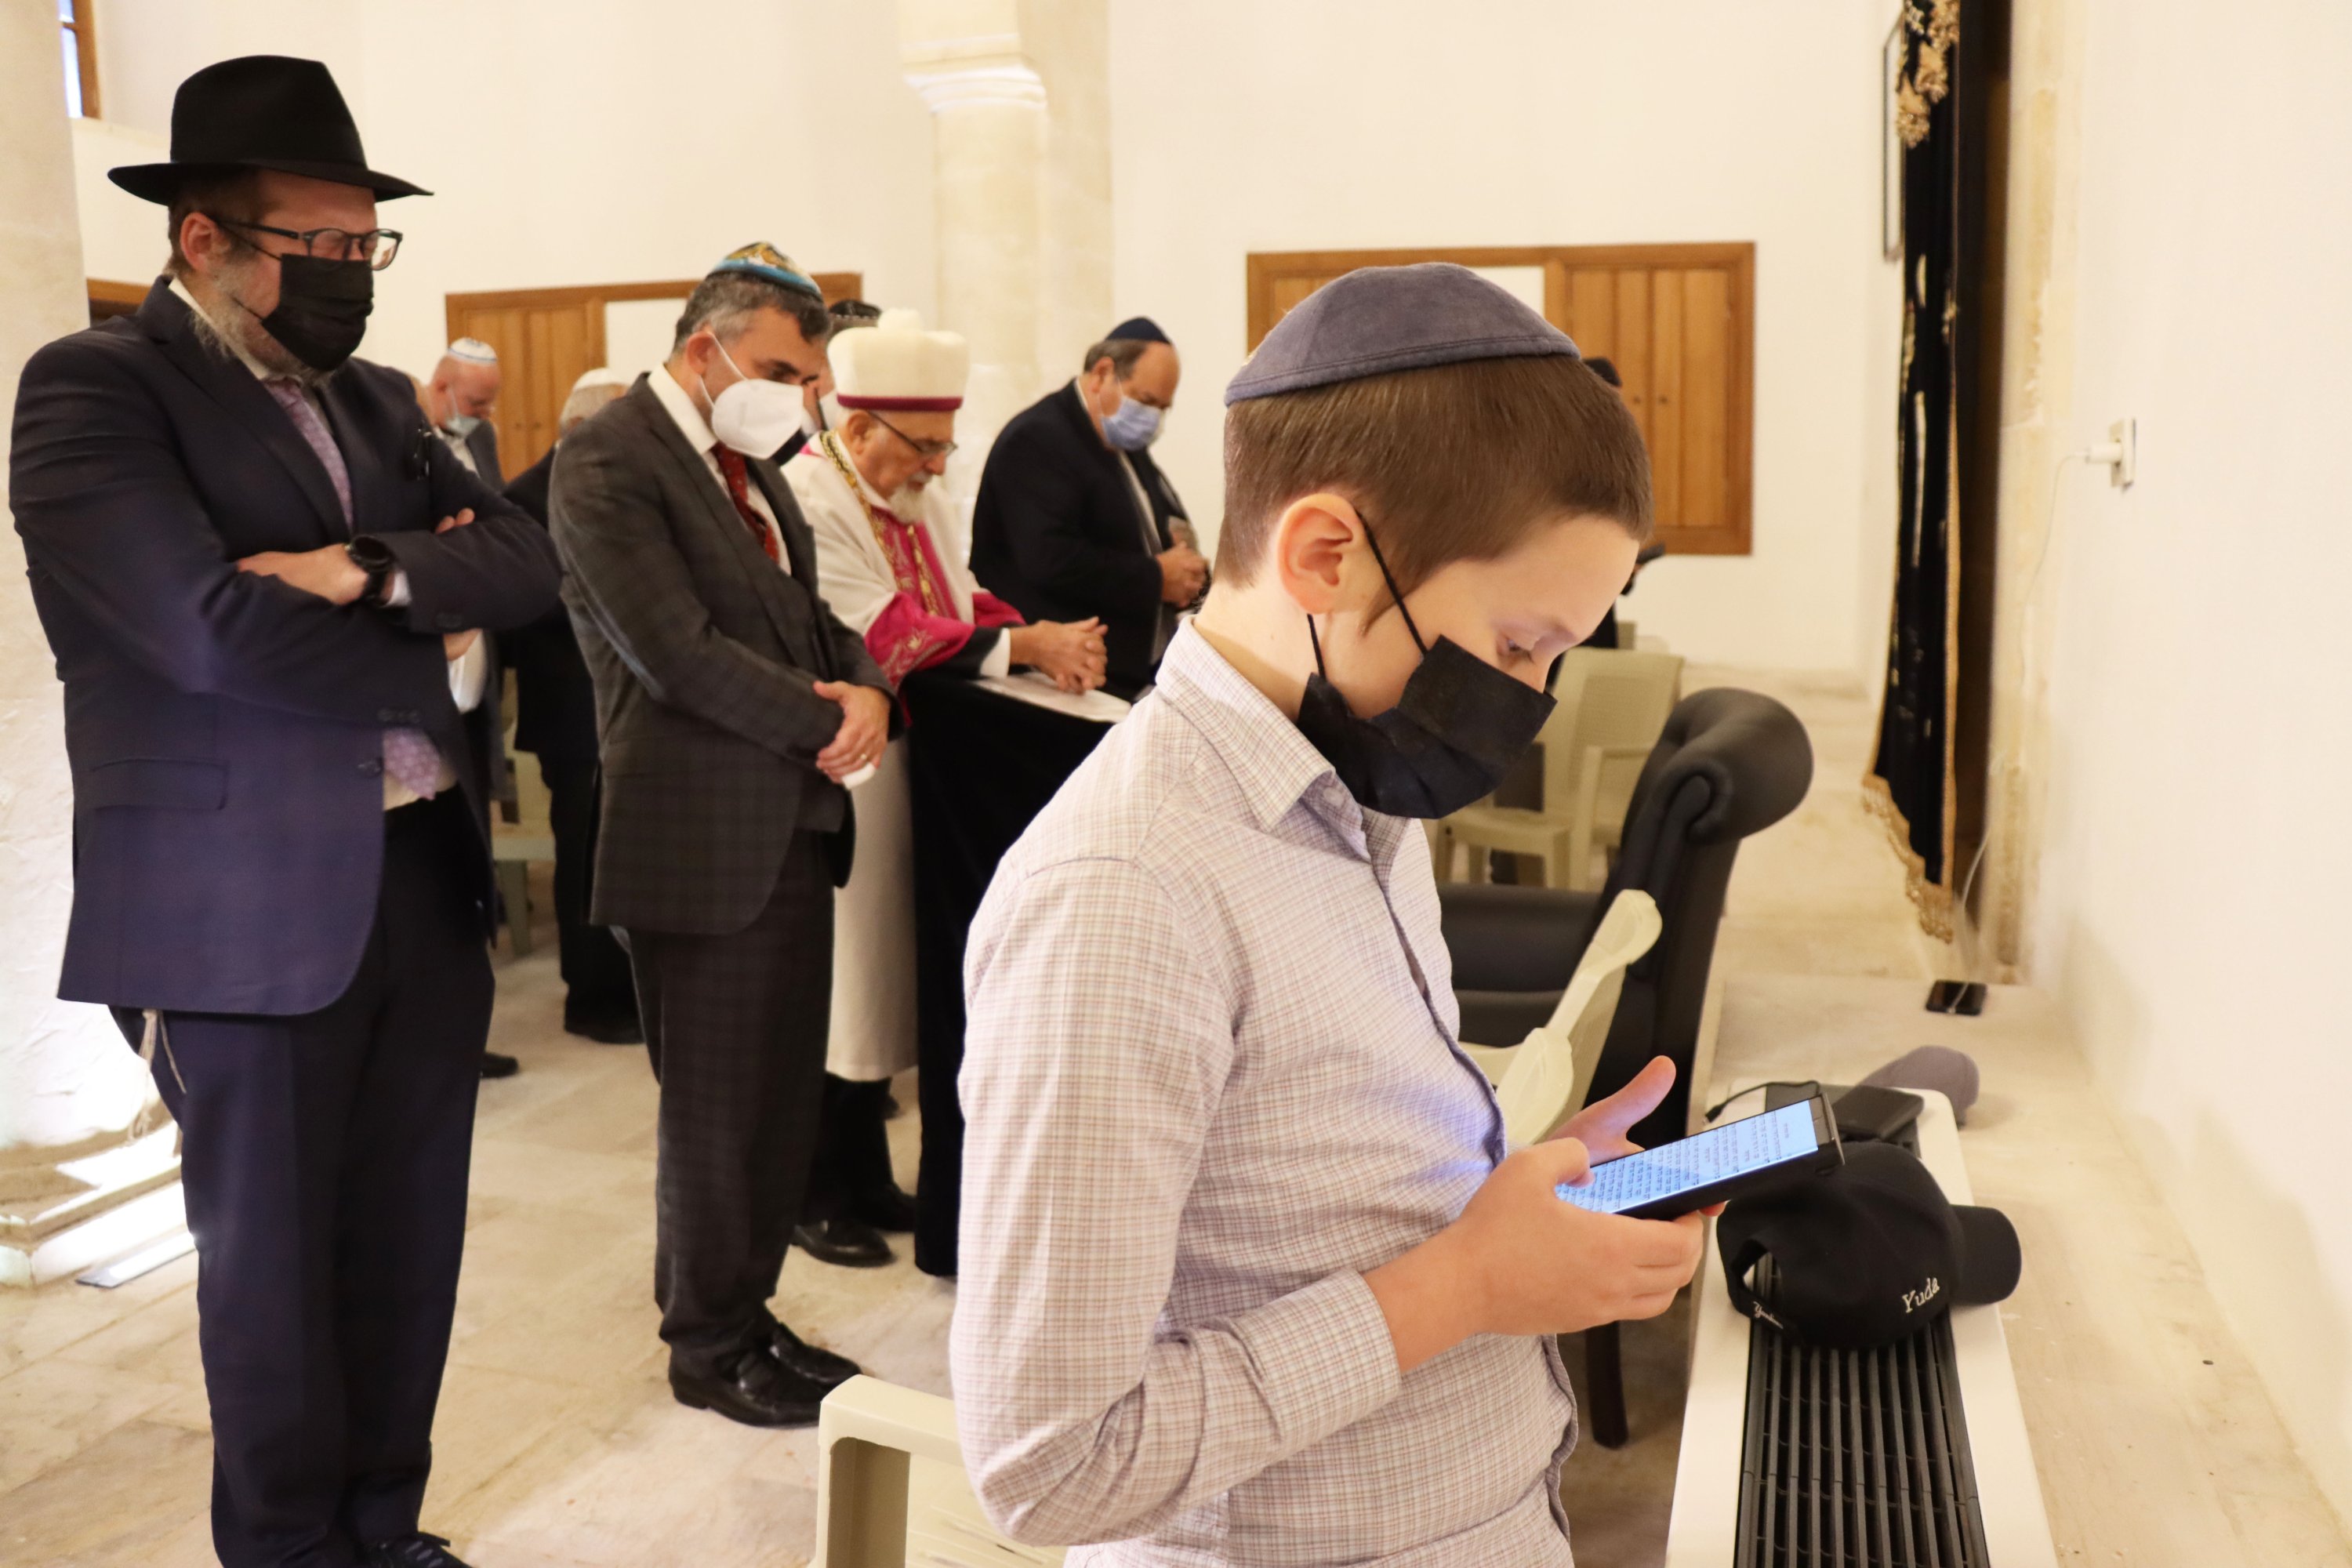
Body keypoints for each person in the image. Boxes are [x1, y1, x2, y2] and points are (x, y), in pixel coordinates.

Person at [952, 263, 1708, 1565]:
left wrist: (1508, 1180)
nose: (1532, 694)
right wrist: (1465, 1283)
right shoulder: (1122, 900)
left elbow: (1306, 1150)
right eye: (1523, 643)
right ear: (1322, 554)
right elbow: (1050, 1466)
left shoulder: (1359, 785)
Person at [9, 56, 561, 1568]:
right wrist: (420, 615)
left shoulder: (376, 400)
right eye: (313, 246)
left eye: (362, 246)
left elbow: (528, 562)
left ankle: (384, 1527)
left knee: (403, 1246)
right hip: (232, 902)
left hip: (414, 881)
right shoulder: (95, 389)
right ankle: (287, 1549)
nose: (348, 277)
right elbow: (200, 635)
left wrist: (365, 569)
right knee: (268, 1277)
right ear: (203, 238)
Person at [550, 243, 894, 1429]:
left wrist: (866, 688)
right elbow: (674, 652)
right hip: (697, 833)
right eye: (788, 371)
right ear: (709, 349)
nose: (804, 400)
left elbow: (811, 613)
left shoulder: (749, 462)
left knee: (773, 1106)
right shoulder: (607, 460)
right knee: (715, 1114)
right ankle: (707, 1345)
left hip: (785, 821)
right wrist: (822, 722)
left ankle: (746, 1315)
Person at [785, 308, 1106, 1268]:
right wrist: (1025, 643)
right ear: (860, 429)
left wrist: (1041, 635)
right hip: (847, 763)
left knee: (886, 982)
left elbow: (958, 600)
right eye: (920, 446)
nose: (933, 465)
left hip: (923, 766)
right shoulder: (811, 496)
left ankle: (867, 1171)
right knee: (846, 980)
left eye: (941, 444)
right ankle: (813, 1189)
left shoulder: (913, 497)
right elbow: (881, 632)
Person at [503, 368, 640, 1044]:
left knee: (621, 856)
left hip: (615, 706)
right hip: (571, 711)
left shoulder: (605, 485)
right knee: (585, 856)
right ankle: (590, 998)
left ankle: (625, 985)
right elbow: (534, 605)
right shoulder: (526, 498)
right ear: (583, 429)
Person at [970, 318, 1208, 691]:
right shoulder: (1038, 439)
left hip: (1130, 672)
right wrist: (1156, 577)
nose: (1153, 419)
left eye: (1163, 407)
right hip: (1059, 677)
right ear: (1103, 373)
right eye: (1146, 401)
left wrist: (1191, 572)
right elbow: (1049, 560)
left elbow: (1164, 526)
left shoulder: (1125, 446)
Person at [420, 337, 504, 482]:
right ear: (442, 387)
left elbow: (496, 494)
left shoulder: (482, 432)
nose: (484, 416)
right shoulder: (407, 436)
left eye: (489, 405)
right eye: (477, 404)